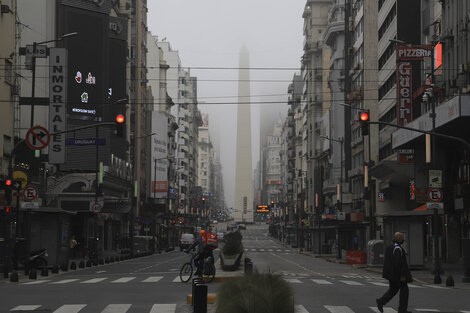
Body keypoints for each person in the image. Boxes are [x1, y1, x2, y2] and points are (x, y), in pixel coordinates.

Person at [376, 232, 413, 313]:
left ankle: (381, 301)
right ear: (399, 239)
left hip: (391, 275)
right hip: (398, 275)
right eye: (403, 238)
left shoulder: (390, 246)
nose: (404, 240)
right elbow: (398, 264)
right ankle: (402, 310)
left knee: (393, 290)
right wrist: (402, 275)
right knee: (404, 292)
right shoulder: (398, 249)